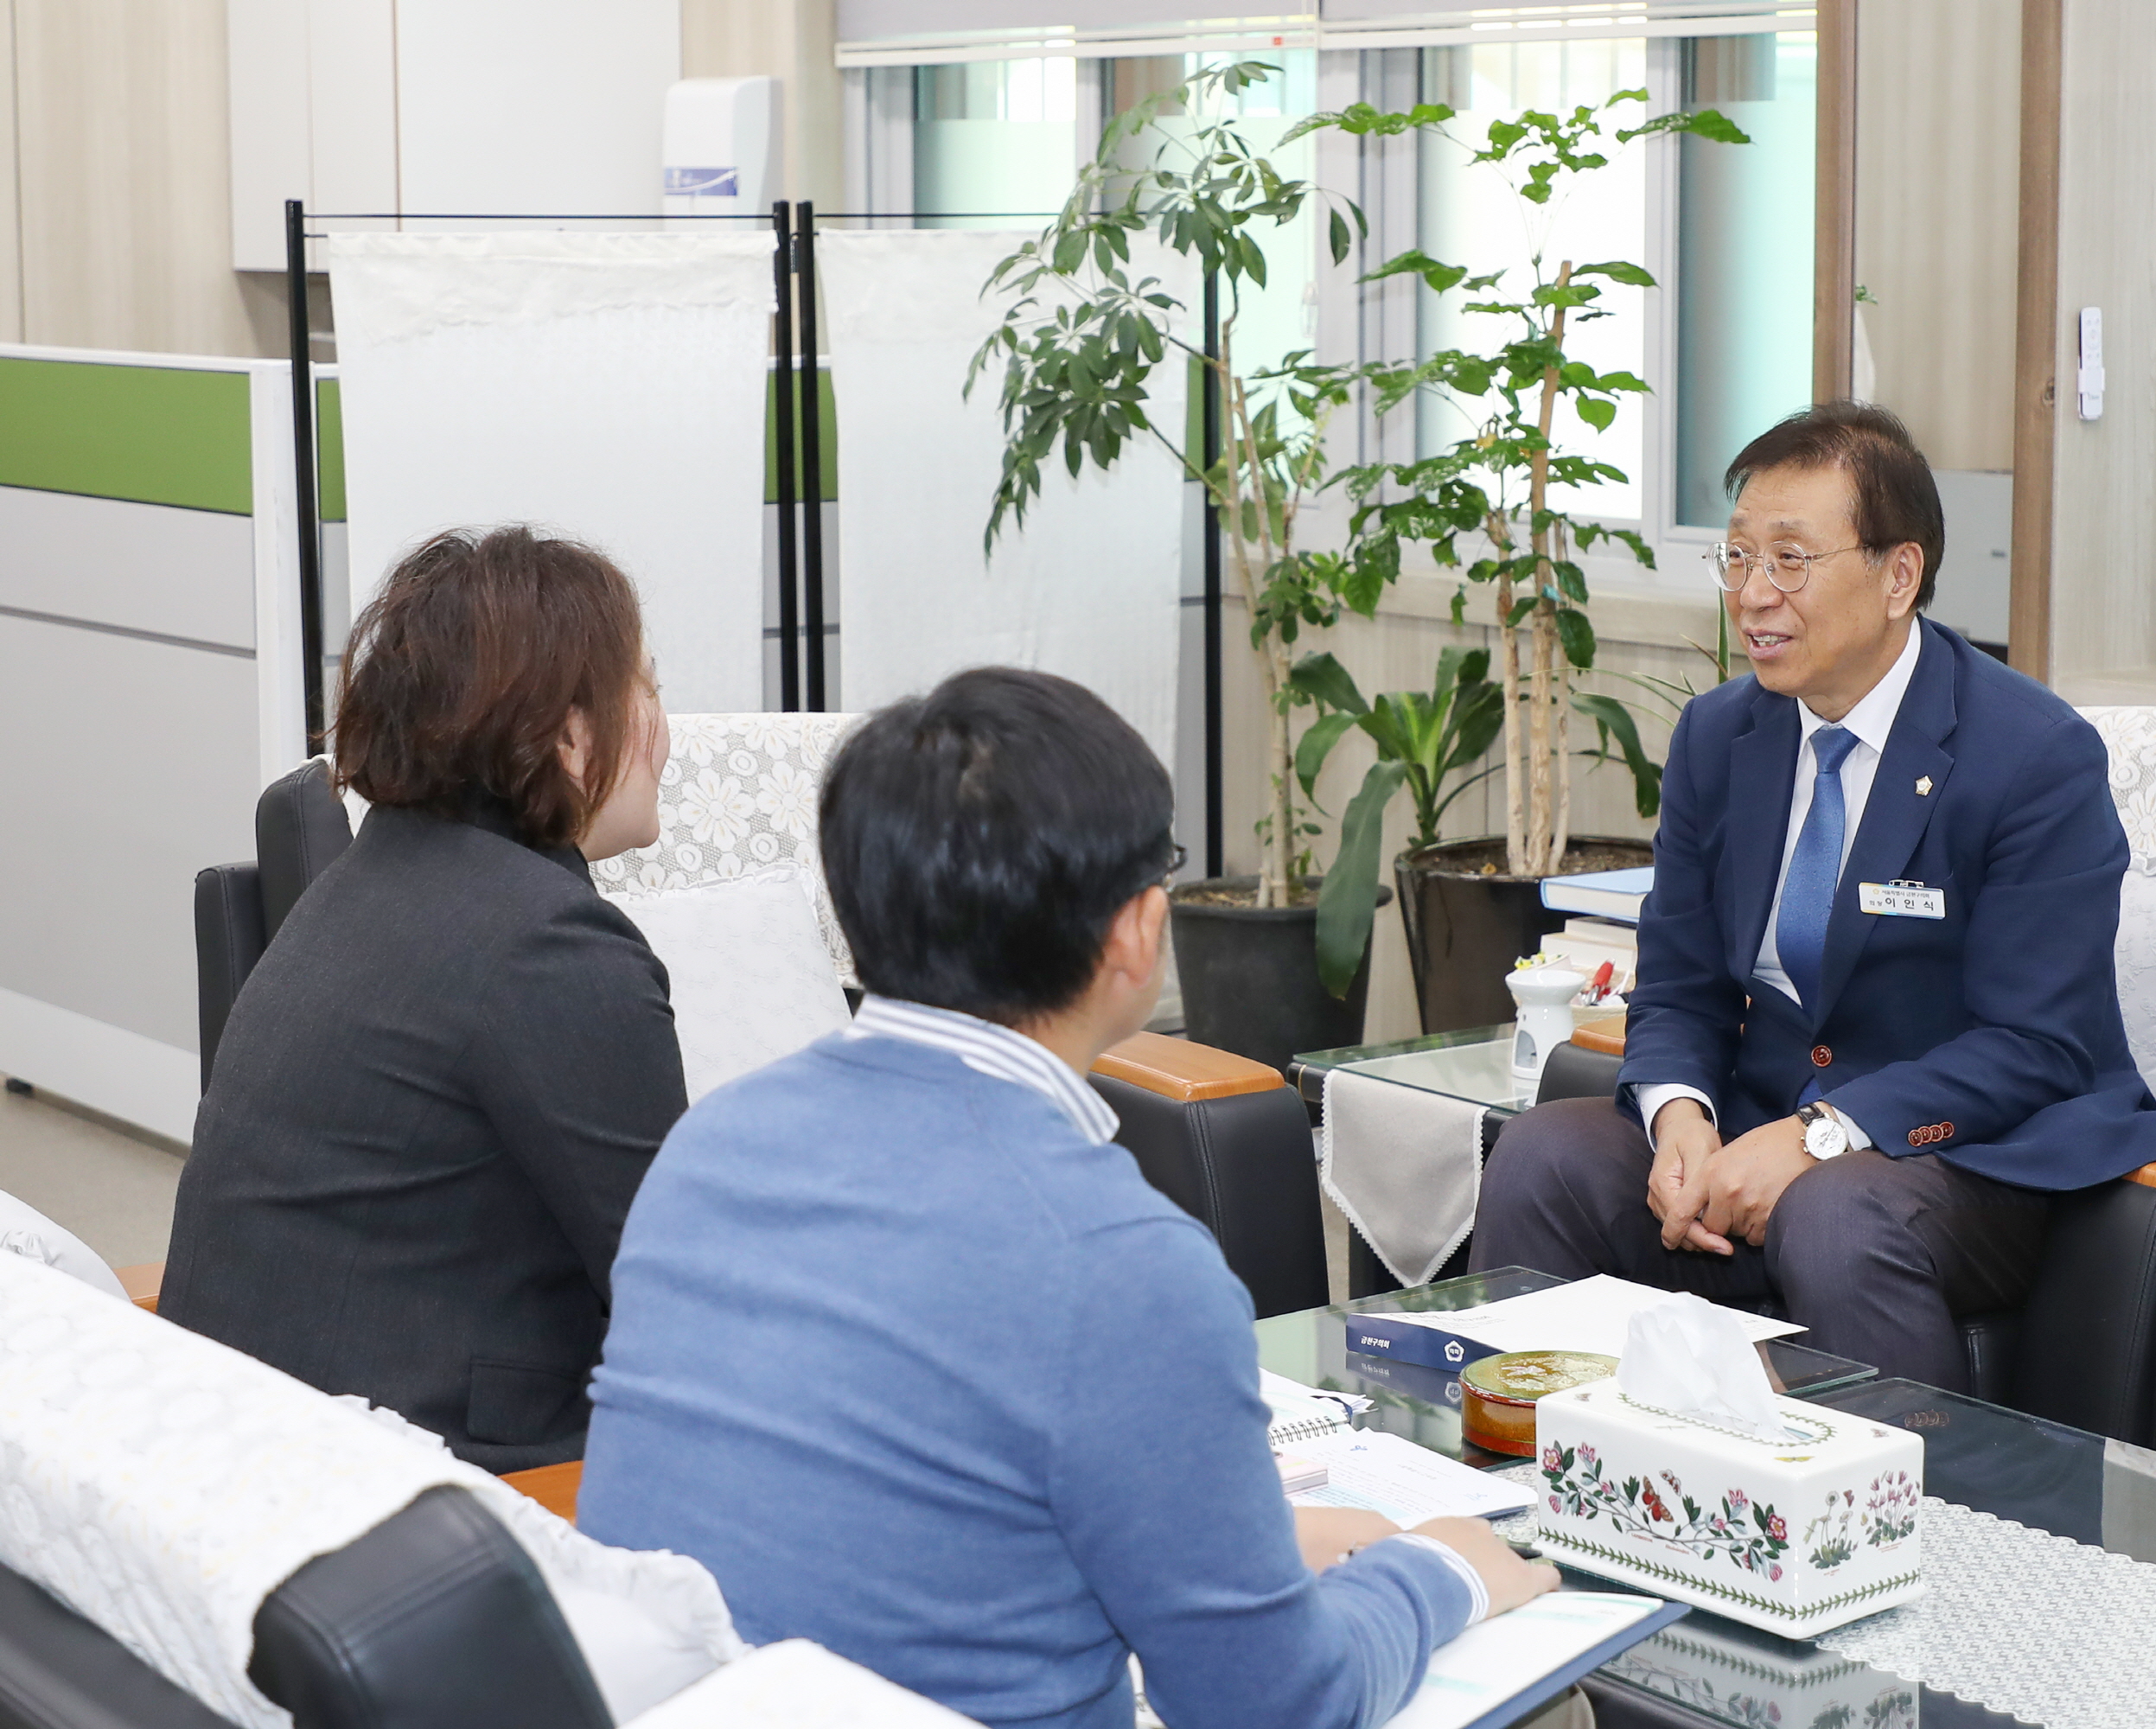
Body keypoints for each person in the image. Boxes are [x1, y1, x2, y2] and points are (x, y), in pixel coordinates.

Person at [578, 667, 1556, 1729]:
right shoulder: (1121, 1261)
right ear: (1138, 929)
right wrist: (1440, 1570)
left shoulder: (707, 1150)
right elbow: (1279, 1705)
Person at [1470, 402, 2156, 1390]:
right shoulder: (1721, 740)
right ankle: (1522, 1489)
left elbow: (2037, 1044)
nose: (1754, 594)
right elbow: (1678, 988)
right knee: (1542, 1152)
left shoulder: (2032, 754)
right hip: (1761, 1119)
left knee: (1833, 1208)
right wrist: (1679, 1119)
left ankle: (1920, 1530)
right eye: (1737, 559)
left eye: (1791, 560)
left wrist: (1817, 1138)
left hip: (1973, 1157)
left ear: (1900, 575)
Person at [163, 526, 686, 1472]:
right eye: (645, 684)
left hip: (246, 1444)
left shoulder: (371, 880)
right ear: (573, 734)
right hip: (428, 1479)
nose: (663, 720)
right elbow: (684, 1290)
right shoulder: (549, 946)